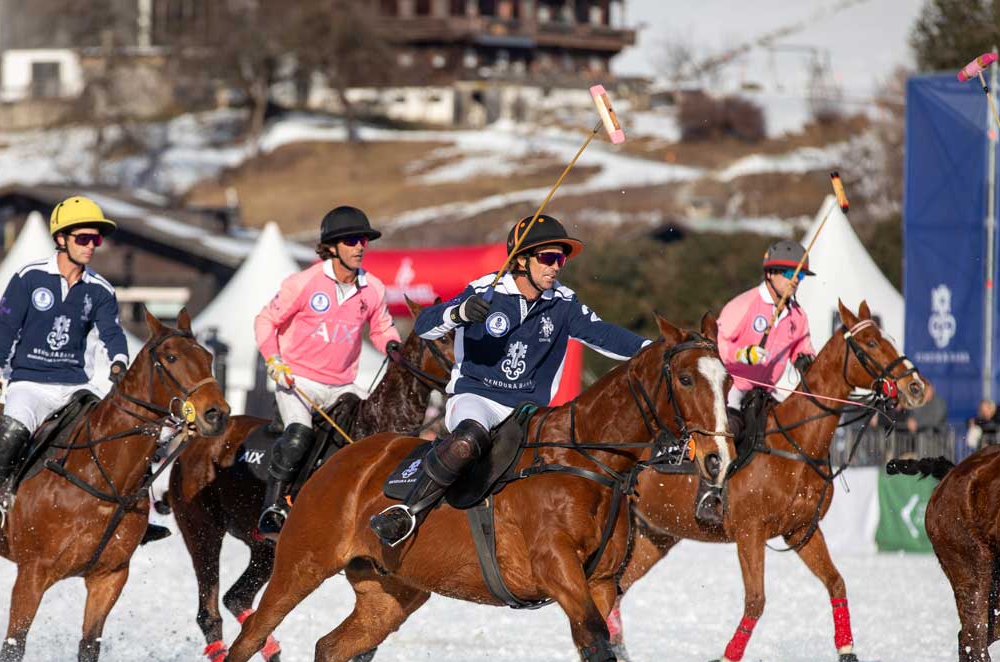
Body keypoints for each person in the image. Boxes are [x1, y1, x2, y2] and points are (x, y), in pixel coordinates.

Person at [369, 214, 649, 547]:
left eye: (560, 258)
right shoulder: (484, 292)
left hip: (531, 409)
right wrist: (458, 313)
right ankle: (407, 511)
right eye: (547, 257)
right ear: (520, 260)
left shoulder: (563, 302)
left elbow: (605, 334)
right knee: (465, 442)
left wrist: (656, 350)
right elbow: (425, 326)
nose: (556, 266)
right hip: (478, 398)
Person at [0, 196, 131, 539]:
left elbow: (112, 332)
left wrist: (119, 361)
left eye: (96, 239)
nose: (91, 246)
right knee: (12, 430)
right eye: (83, 238)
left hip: (75, 386)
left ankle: (128, 509)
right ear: (61, 239)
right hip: (30, 382)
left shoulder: (100, 290)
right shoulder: (29, 278)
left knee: (113, 433)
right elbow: (5, 327)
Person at [252, 205, 402, 536]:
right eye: (351, 240)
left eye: (363, 240)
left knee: (376, 435)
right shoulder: (303, 283)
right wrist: (274, 361)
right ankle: (273, 509)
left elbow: (381, 328)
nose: (360, 246)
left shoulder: (372, 288)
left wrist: (392, 345)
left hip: (343, 385)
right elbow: (266, 320)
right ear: (331, 247)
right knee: (298, 437)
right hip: (299, 381)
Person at [717, 239, 817, 437]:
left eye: (800, 276)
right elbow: (716, 344)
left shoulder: (798, 316)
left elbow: (802, 348)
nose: (795, 280)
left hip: (766, 395)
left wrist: (805, 359)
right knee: (729, 439)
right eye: (789, 274)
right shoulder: (744, 304)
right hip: (732, 393)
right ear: (770, 274)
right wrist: (741, 354)